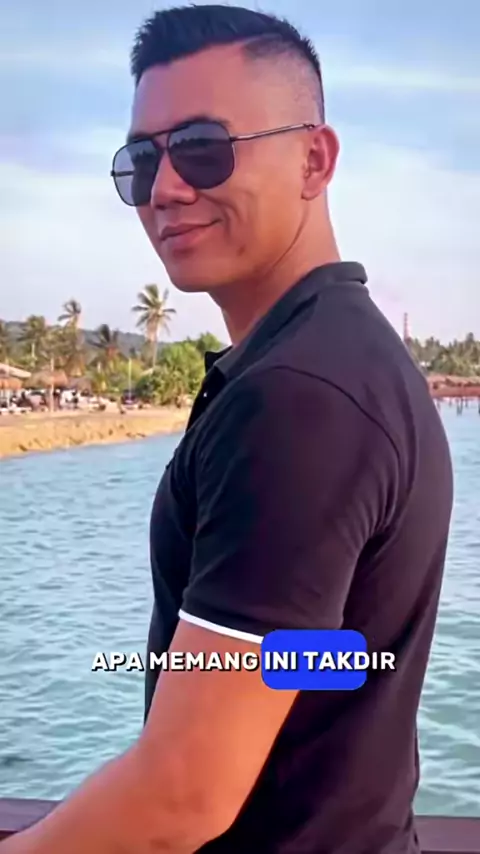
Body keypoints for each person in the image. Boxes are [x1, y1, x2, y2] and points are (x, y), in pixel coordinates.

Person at [2, 5, 453, 854]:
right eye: (142, 160)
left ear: (314, 159)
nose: (166, 188)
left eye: (204, 147)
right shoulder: (333, 357)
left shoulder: (300, 397)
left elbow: (184, 795)